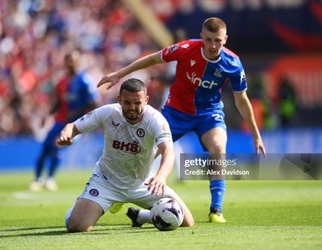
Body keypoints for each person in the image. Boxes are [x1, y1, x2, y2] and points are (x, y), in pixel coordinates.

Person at [97, 17, 266, 223]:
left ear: (225, 39)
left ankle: (216, 210)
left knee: (219, 148)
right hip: (175, 111)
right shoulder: (185, 48)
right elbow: (152, 59)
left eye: (218, 41)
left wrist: (256, 135)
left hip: (208, 114)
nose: (213, 45)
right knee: (147, 149)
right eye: (209, 39)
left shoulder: (233, 63)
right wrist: (120, 74)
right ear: (202, 37)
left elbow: (242, 100)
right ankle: (123, 190)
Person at [58, 78, 194, 232]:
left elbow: (168, 151)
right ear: (119, 100)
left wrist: (161, 177)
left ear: (146, 100)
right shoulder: (108, 112)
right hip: (106, 182)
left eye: (137, 103)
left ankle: (143, 216)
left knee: (185, 220)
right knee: (77, 227)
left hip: (144, 183)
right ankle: (78, 208)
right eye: (127, 103)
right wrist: (66, 135)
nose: (132, 107)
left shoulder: (156, 120)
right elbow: (72, 127)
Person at [29, 50, 99, 191]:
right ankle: (37, 180)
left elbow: (94, 103)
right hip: (59, 121)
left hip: (76, 124)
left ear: (79, 62)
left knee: (57, 147)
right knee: (45, 148)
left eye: (72, 60)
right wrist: (48, 115)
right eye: (68, 60)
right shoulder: (62, 82)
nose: (70, 64)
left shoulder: (85, 81)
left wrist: (78, 113)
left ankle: (50, 178)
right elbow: (58, 102)